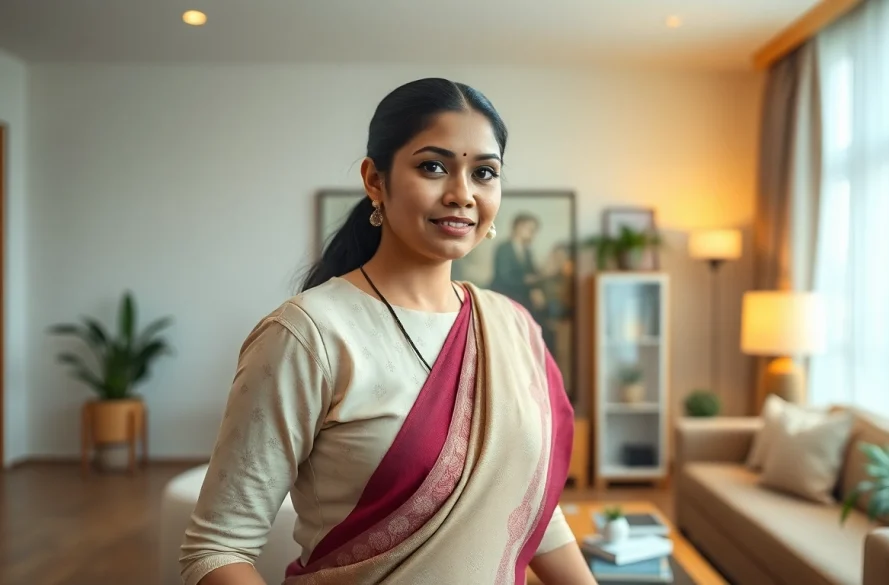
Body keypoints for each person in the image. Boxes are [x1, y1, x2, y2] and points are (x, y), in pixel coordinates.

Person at [178, 78, 596, 585]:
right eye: (433, 166)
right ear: (375, 180)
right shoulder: (308, 335)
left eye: (484, 173)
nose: (462, 194)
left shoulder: (514, 328)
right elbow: (216, 549)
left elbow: (529, 507)